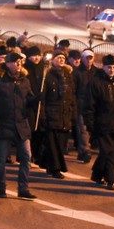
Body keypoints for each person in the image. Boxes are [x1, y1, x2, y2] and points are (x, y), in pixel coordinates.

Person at [0, 52, 38, 200]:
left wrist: (38, 98)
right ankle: (1, 187)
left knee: (26, 157)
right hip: (4, 125)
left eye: (20, 61)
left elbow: (29, 101)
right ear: (7, 63)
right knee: (1, 159)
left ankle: (23, 187)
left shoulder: (24, 81)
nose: (19, 64)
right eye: (15, 62)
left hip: (21, 125)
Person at [85, 54, 114, 190]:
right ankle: (105, 177)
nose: (112, 70)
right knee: (106, 151)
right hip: (102, 123)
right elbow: (90, 105)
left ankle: (108, 179)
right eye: (109, 67)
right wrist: (90, 124)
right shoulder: (96, 82)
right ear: (103, 67)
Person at [39, 50, 76, 179]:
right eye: (58, 58)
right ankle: (55, 169)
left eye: (63, 58)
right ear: (53, 60)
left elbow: (71, 95)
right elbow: (43, 97)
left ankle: (47, 164)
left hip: (65, 115)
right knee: (53, 144)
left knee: (60, 144)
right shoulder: (47, 75)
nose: (61, 60)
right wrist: (43, 115)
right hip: (52, 114)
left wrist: (73, 113)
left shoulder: (68, 74)